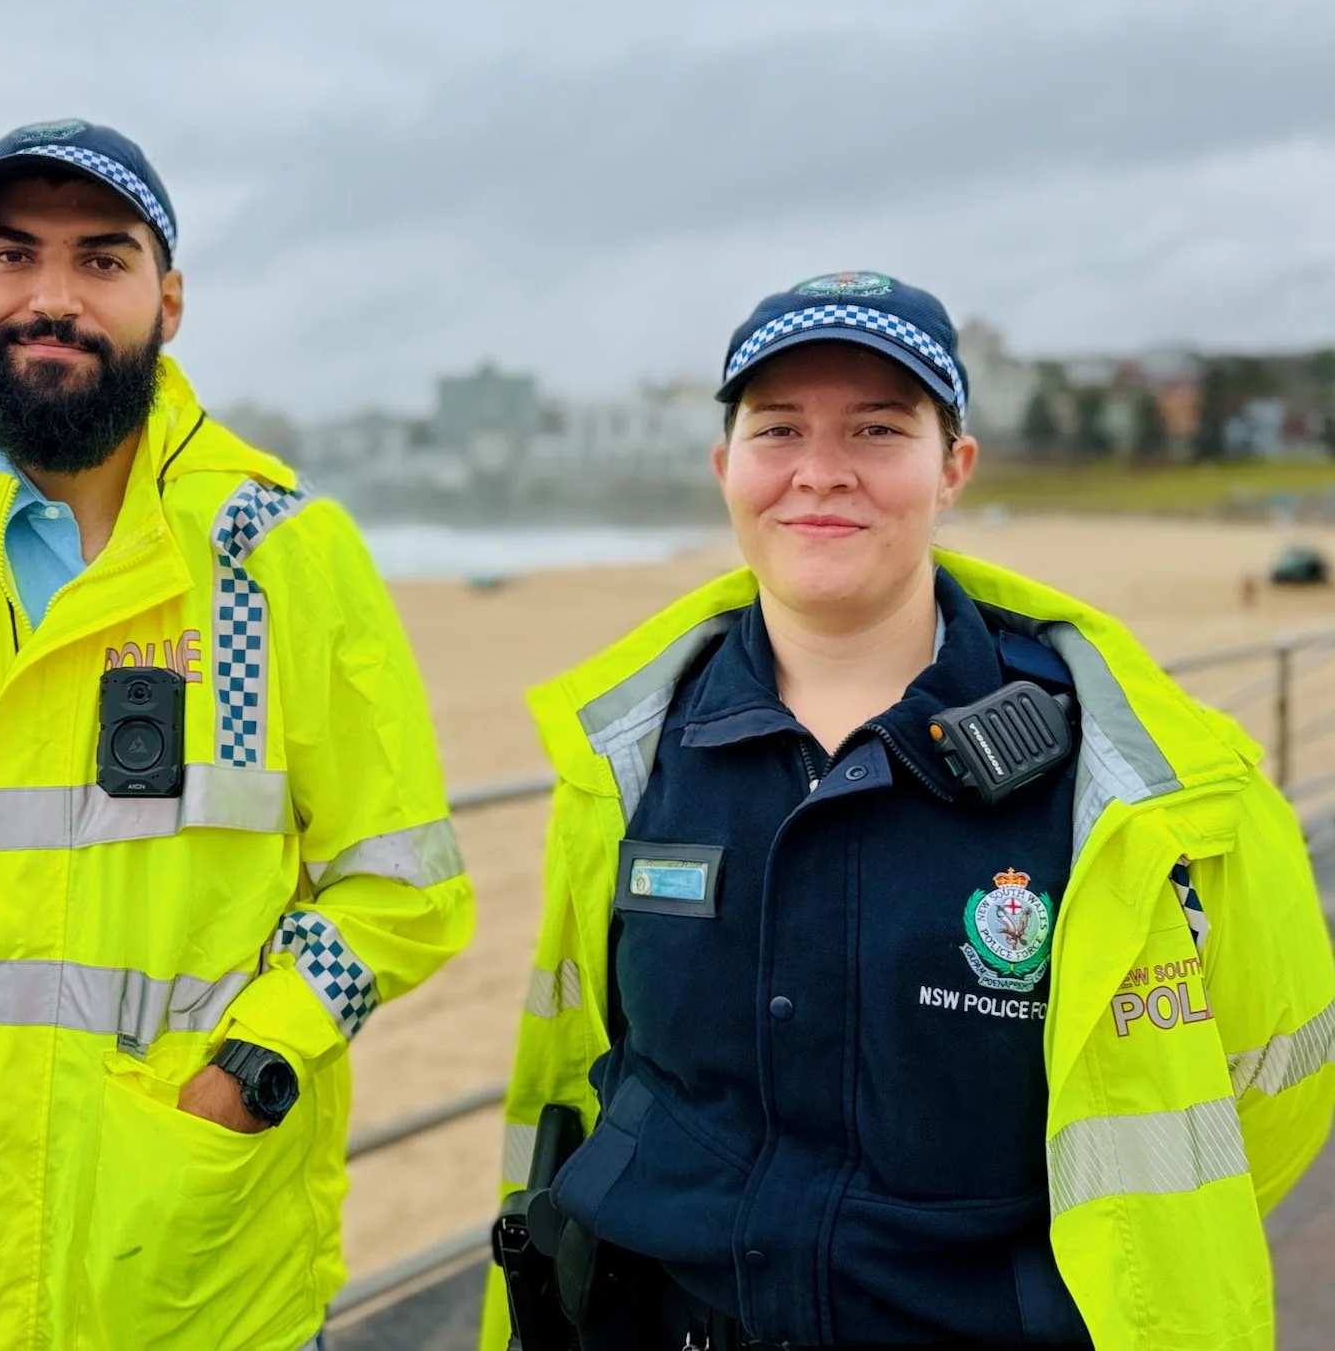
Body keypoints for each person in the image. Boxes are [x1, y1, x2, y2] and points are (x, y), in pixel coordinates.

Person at [0, 119, 474, 1351]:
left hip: (182, 1270)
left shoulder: (276, 555)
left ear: (167, 300)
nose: (50, 298)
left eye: (100, 261)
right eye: (14, 256)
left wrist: (249, 1078)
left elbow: (401, 881)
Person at [483, 273, 1335, 1350]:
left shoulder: (1143, 786)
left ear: (951, 469)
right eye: (777, 428)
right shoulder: (629, 756)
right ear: (724, 468)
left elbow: (1272, 1094)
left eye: (878, 429)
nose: (818, 472)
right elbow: (580, 1073)